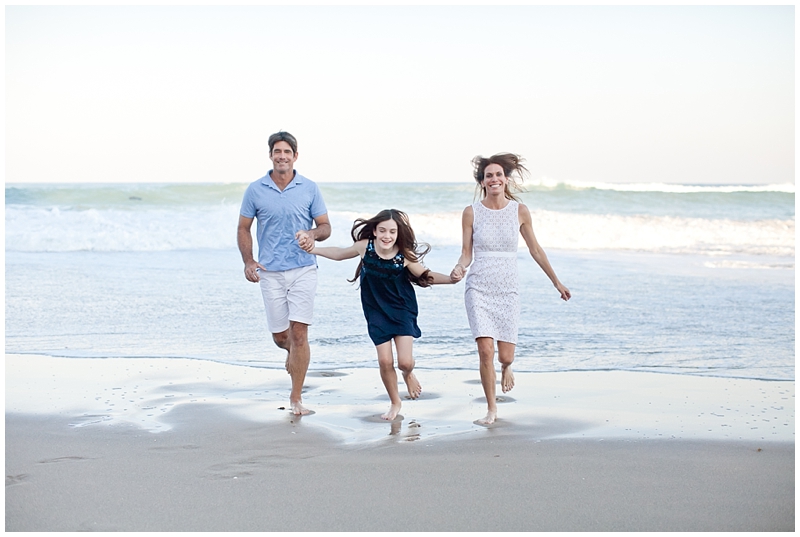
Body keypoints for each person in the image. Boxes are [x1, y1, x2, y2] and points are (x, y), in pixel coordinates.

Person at [450, 153, 570, 425]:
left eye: (499, 175)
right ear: (482, 182)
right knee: (485, 350)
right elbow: (466, 253)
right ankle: (492, 409)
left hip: (507, 288)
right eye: (489, 175)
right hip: (478, 286)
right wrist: (459, 267)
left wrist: (556, 281)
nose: (494, 179)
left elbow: (535, 249)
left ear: (506, 180)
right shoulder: (471, 212)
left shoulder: (520, 211)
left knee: (505, 355)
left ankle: (507, 368)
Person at [309, 209, 459, 421]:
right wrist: (314, 250)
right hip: (376, 310)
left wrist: (451, 279)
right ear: (375, 231)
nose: (387, 236)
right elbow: (340, 254)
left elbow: (425, 276)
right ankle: (395, 402)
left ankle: (408, 375)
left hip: (402, 309)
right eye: (382, 231)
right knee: (385, 360)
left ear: (398, 233)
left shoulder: (404, 255)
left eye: (392, 231)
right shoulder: (365, 248)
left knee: (404, 362)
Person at [237, 131, 331, 416]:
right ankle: (293, 354)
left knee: (299, 334)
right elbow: (243, 228)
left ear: (295, 156)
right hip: (270, 271)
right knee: (282, 338)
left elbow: (325, 227)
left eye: (287, 152)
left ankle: (296, 397)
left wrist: (312, 234)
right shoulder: (255, 190)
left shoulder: (309, 188)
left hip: (304, 268)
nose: (282, 156)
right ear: (271, 155)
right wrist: (248, 261)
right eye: (277, 151)